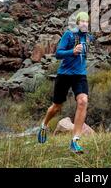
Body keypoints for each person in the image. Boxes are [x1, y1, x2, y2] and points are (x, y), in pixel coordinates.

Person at [37, 11, 94, 154]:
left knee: (83, 101)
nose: (84, 24)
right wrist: (72, 51)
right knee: (56, 107)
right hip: (64, 74)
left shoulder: (88, 37)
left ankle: (75, 141)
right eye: (82, 21)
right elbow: (58, 53)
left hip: (80, 75)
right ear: (77, 23)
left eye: (87, 22)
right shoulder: (69, 35)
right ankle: (44, 125)